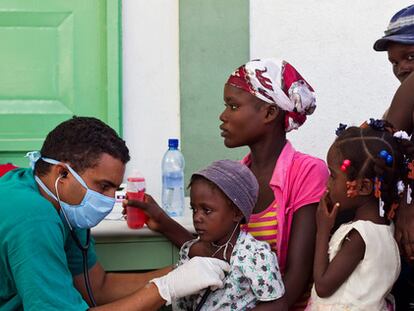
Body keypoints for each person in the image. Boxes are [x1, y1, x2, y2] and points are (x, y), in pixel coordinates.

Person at [126, 58, 329, 310]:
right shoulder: (237, 176)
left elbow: (293, 285)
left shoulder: (307, 172)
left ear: (269, 113)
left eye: (233, 106)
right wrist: (163, 221)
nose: (223, 116)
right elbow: (221, 252)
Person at [0, 116, 230, 311]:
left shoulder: (63, 204)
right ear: (63, 173)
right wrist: (165, 289)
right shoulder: (33, 217)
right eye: (103, 186)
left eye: (114, 188)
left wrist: (181, 273)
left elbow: (98, 288)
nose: (110, 199)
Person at [307, 122, 403, 310]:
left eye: (333, 176)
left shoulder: (360, 235)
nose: (327, 184)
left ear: (364, 187)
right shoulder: (387, 229)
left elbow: (323, 286)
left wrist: (322, 231)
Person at [172, 160, 286, 311]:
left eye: (207, 210)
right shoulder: (191, 251)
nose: (197, 217)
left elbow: (275, 305)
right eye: (194, 209)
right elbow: (182, 303)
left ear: (237, 213)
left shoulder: (255, 256)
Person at [374, 5, 414, 309]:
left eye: (410, 56)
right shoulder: (399, 106)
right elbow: (381, 151)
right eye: (394, 62)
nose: (401, 68)